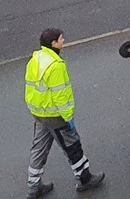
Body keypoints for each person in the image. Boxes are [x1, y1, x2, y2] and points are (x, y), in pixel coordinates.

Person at [24, 28, 105, 198]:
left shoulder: (36, 59)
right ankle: (84, 179)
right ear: (53, 43)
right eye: (60, 39)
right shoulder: (55, 66)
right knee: (72, 146)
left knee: (38, 149)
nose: (63, 40)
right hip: (55, 116)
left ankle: (33, 187)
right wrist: (68, 118)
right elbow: (60, 96)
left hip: (39, 114)